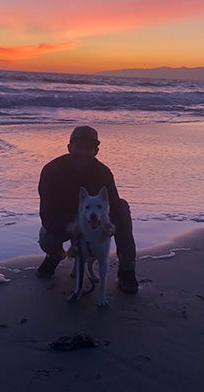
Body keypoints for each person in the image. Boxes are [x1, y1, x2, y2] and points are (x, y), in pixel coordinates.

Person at [36, 125, 139, 294]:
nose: (83, 153)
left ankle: (127, 270)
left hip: (95, 221)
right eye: (79, 147)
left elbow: (113, 205)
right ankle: (54, 256)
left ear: (96, 151)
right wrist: (69, 226)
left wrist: (109, 225)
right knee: (47, 238)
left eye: (88, 148)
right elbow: (46, 213)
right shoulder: (51, 171)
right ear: (69, 147)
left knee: (122, 206)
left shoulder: (103, 173)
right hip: (66, 219)